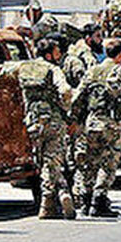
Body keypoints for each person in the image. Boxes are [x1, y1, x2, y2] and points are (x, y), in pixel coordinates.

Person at [70, 39, 121, 218]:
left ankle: (86, 200)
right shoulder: (120, 70)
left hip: (92, 123)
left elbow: (77, 97)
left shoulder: (93, 71)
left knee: (90, 162)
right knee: (109, 163)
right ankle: (99, 200)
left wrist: (74, 120)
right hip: (111, 125)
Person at [17, 38, 75, 219]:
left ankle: (53, 200)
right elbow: (65, 90)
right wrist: (66, 108)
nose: (59, 55)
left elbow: (0, 69)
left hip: (34, 122)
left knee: (43, 161)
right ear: (49, 54)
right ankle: (53, 199)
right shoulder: (53, 69)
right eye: (57, 52)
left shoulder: (24, 67)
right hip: (54, 121)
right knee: (53, 161)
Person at [63, 23, 103, 89]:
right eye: (98, 36)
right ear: (88, 39)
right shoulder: (87, 56)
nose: (101, 39)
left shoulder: (74, 50)